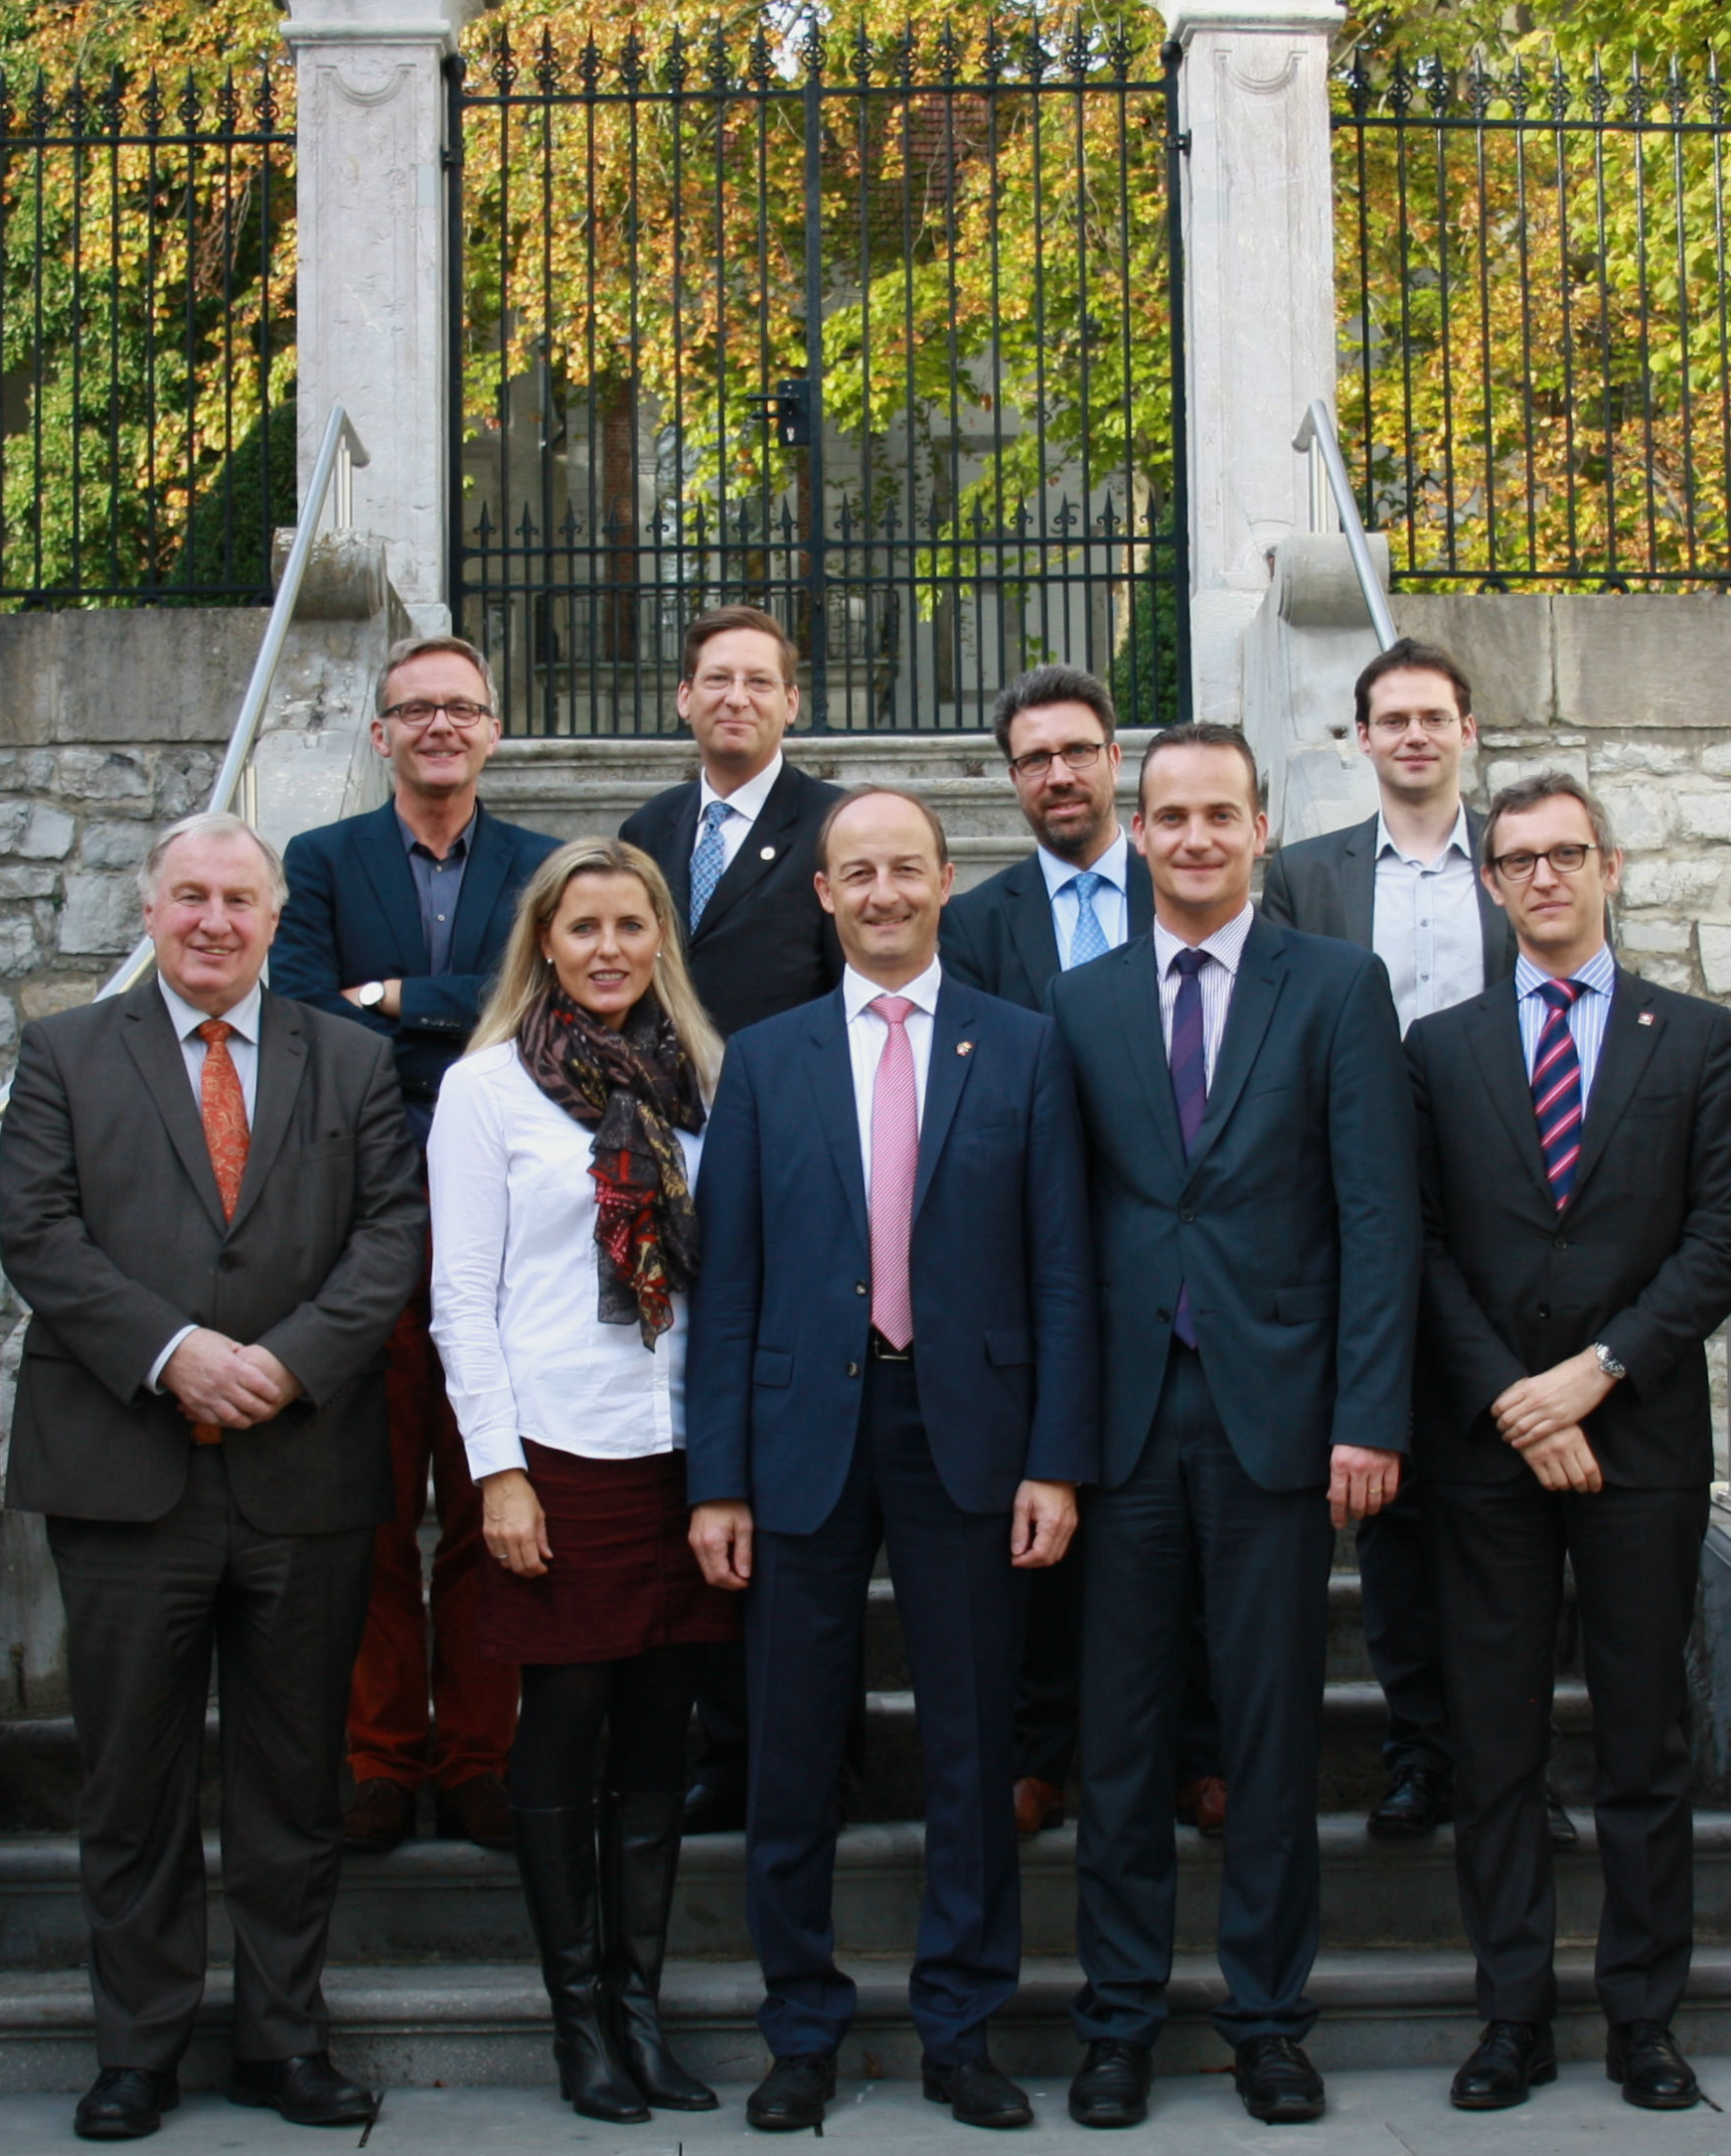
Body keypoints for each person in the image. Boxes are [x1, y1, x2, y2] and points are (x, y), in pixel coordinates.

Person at [0, 812, 425, 2141]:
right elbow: (39, 1232)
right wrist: (175, 1353)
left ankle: (282, 2039)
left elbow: (391, 1233)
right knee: (131, 1776)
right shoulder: (67, 1051)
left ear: (274, 915)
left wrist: (285, 1365)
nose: (214, 921)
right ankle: (140, 2047)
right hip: (126, 1475)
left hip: (302, 1470)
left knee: (294, 1783)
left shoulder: (350, 1058)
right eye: (190, 896)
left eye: (240, 898)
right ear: (150, 907)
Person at [688, 787, 1098, 2133]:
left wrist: (1056, 1458)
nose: (879, 892)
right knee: (793, 1743)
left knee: (973, 1747)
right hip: (805, 1433)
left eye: (902, 869)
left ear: (944, 878)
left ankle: (961, 2026)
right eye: (853, 872)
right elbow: (729, 1281)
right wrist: (719, 1478)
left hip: (968, 1435)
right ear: (821, 892)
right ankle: (799, 2026)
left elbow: (1060, 1268)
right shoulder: (766, 1057)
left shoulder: (1024, 1047)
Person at [1044, 720, 1418, 2129]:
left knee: (1267, 1740)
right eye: (1170, 815)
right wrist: (1053, 1443)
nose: (1194, 837)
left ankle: (1268, 2019)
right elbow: (1057, 1231)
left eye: (1220, 814)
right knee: (1123, 1744)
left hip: (1278, 1421)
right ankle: (1120, 2022)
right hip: (1125, 1426)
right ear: (1136, 832)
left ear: (1262, 828)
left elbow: (1378, 1216)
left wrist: (1368, 1410)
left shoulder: (1336, 988)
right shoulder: (1077, 1005)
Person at [1407, 774, 1731, 2113]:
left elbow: (1725, 1232)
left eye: (1567, 853)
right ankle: (1512, 2016)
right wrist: (1513, 1395)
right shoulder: (1437, 1048)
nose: (1544, 877)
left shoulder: (1695, 1036)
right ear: (1490, 885)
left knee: (1641, 1740)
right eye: (1517, 860)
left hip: (1639, 1438)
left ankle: (1641, 2017)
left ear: (1611, 864)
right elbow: (1423, 1242)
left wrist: (1595, 1374)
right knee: (1493, 1743)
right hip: (1487, 1447)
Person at [427, 837, 736, 2124]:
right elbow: (460, 1297)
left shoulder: (706, 1082)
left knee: (660, 1739)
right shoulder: (488, 1090)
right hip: (555, 1450)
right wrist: (495, 1470)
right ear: (543, 943)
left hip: (682, 1450)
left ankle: (640, 2008)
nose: (607, 947)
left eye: (630, 923)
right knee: (562, 1735)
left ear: (660, 937)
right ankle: (578, 2023)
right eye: (582, 926)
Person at [271, 632, 561, 1857]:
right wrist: (459, 1010)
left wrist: (392, 997)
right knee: (378, 1506)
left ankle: (482, 1755)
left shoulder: (542, 865)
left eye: (462, 707)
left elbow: (544, 1007)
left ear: (493, 729)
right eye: (414, 709)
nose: (440, 726)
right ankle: (382, 1757)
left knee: (497, 1491)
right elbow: (302, 1015)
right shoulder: (322, 861)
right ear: (379, 732)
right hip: (369, 1216)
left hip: (506, 1228)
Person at [939, 665, 1215, 1844]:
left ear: (1119, 765)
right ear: (1010, 781)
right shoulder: (974, 923)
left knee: (1192, 1514)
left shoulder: (1195, 887)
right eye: (1032, 757)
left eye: (1077, 750)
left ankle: (1198, 1752)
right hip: (1034, 1260)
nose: (1057, 773)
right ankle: (1040, 1748)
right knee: (1043, 1513)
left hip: (1183, 1260)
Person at [1259, 636, 1513, 1844]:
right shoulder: (1305, 880)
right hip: (1357, 1224)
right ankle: (1419, 1751)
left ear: (1467, 731)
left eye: (1432, 716)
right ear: (1357, 739)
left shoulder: (1516, 871)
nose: (1412, 735)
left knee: (1497, 1511)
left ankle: (1506, 1759)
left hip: (1500, 1222)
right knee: (1397, 1519)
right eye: (1390, 718)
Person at [617, 603, 847, 1831]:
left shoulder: (831, 826)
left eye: (760, 680)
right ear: (683, 696)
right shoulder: (646, 832)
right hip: (661, 1171)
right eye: (715, 679)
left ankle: (798, 1748)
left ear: (790, 701)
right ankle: (718, 1741)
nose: (736, 698)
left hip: (795, 1177)